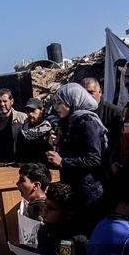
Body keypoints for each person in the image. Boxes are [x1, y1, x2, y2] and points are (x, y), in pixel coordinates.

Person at [45, 83, 107, 221]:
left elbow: (94, 159)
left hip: (89, 193)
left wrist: (62, 162)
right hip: (73, 189)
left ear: (73, 100)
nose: (56, 108)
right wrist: (57, 144)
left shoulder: (88, 122)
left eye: (60, 103)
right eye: (55, 103)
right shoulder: (69, 123)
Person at [81, 77, 122, 165]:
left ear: (100, 92)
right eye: (84, 93)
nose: (87, 96)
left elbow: (118, 142)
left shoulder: (115, 113)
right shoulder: (77, 114)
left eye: (91, 92)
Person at [16, 98, 53, 165]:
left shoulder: (50, 131)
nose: (30, 114)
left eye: (33, 110)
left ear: (42, 110)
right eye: (27, 111)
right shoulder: (22, 133)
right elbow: (20, 158)